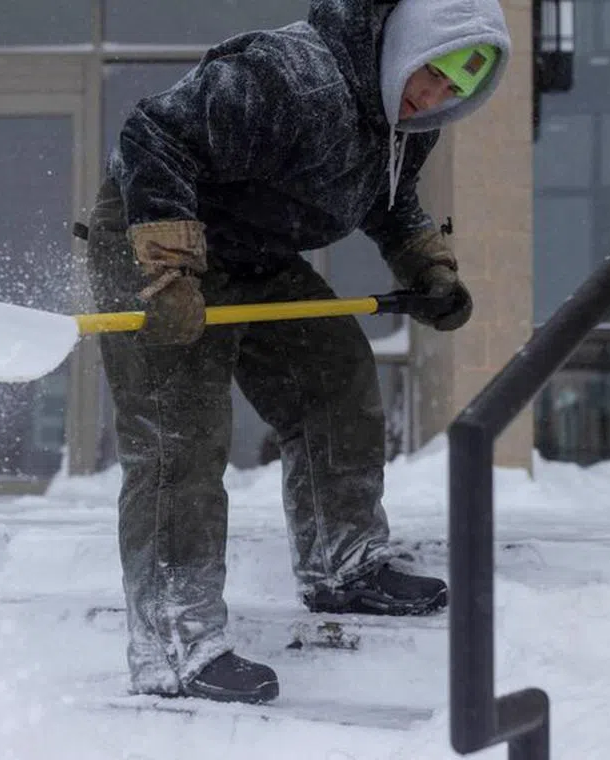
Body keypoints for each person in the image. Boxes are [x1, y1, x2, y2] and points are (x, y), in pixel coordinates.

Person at [84, 0, 511, 705]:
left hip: (255, 251)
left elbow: (388, 195)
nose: (434, 97)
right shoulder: (290, 79)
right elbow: (151, 136)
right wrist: (168, 268)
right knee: (180, 437)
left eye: (452, 91)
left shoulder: (404, 118)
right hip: (154, 236)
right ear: (406, 44)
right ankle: (176, 644)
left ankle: (343, 564)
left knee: (332, 374)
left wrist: (425, 265)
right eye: (431, 75)